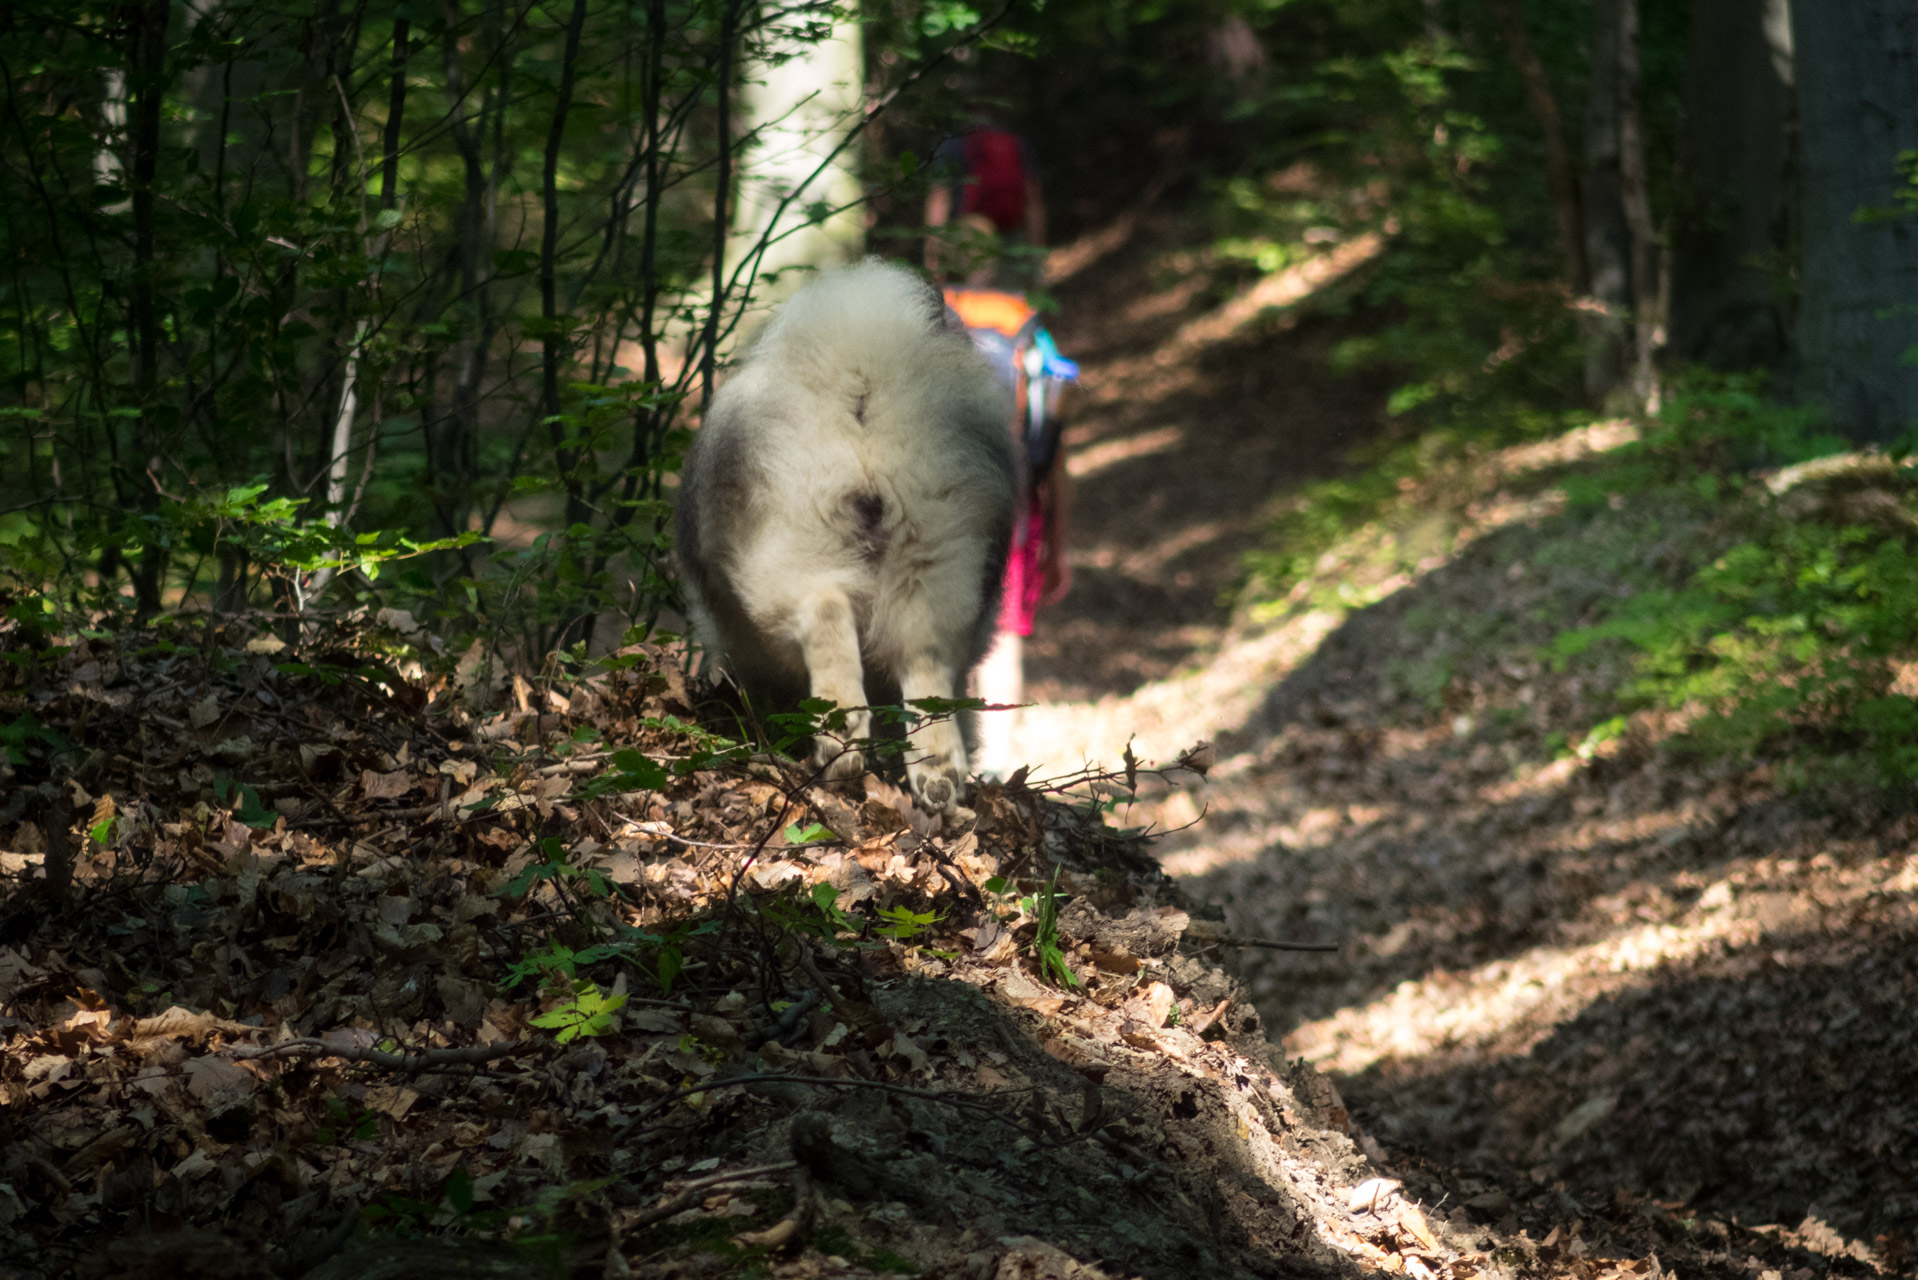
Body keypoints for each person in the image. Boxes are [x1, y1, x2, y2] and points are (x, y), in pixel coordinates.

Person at [925, 126, 1074, 777]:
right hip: (1010, 495)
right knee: (1005, 630)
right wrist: (1058, 543)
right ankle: (1001, 755)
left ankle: (941, 749)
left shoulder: (927, 321)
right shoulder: (1024, 324)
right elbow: (1056, 436)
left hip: (942, 496)